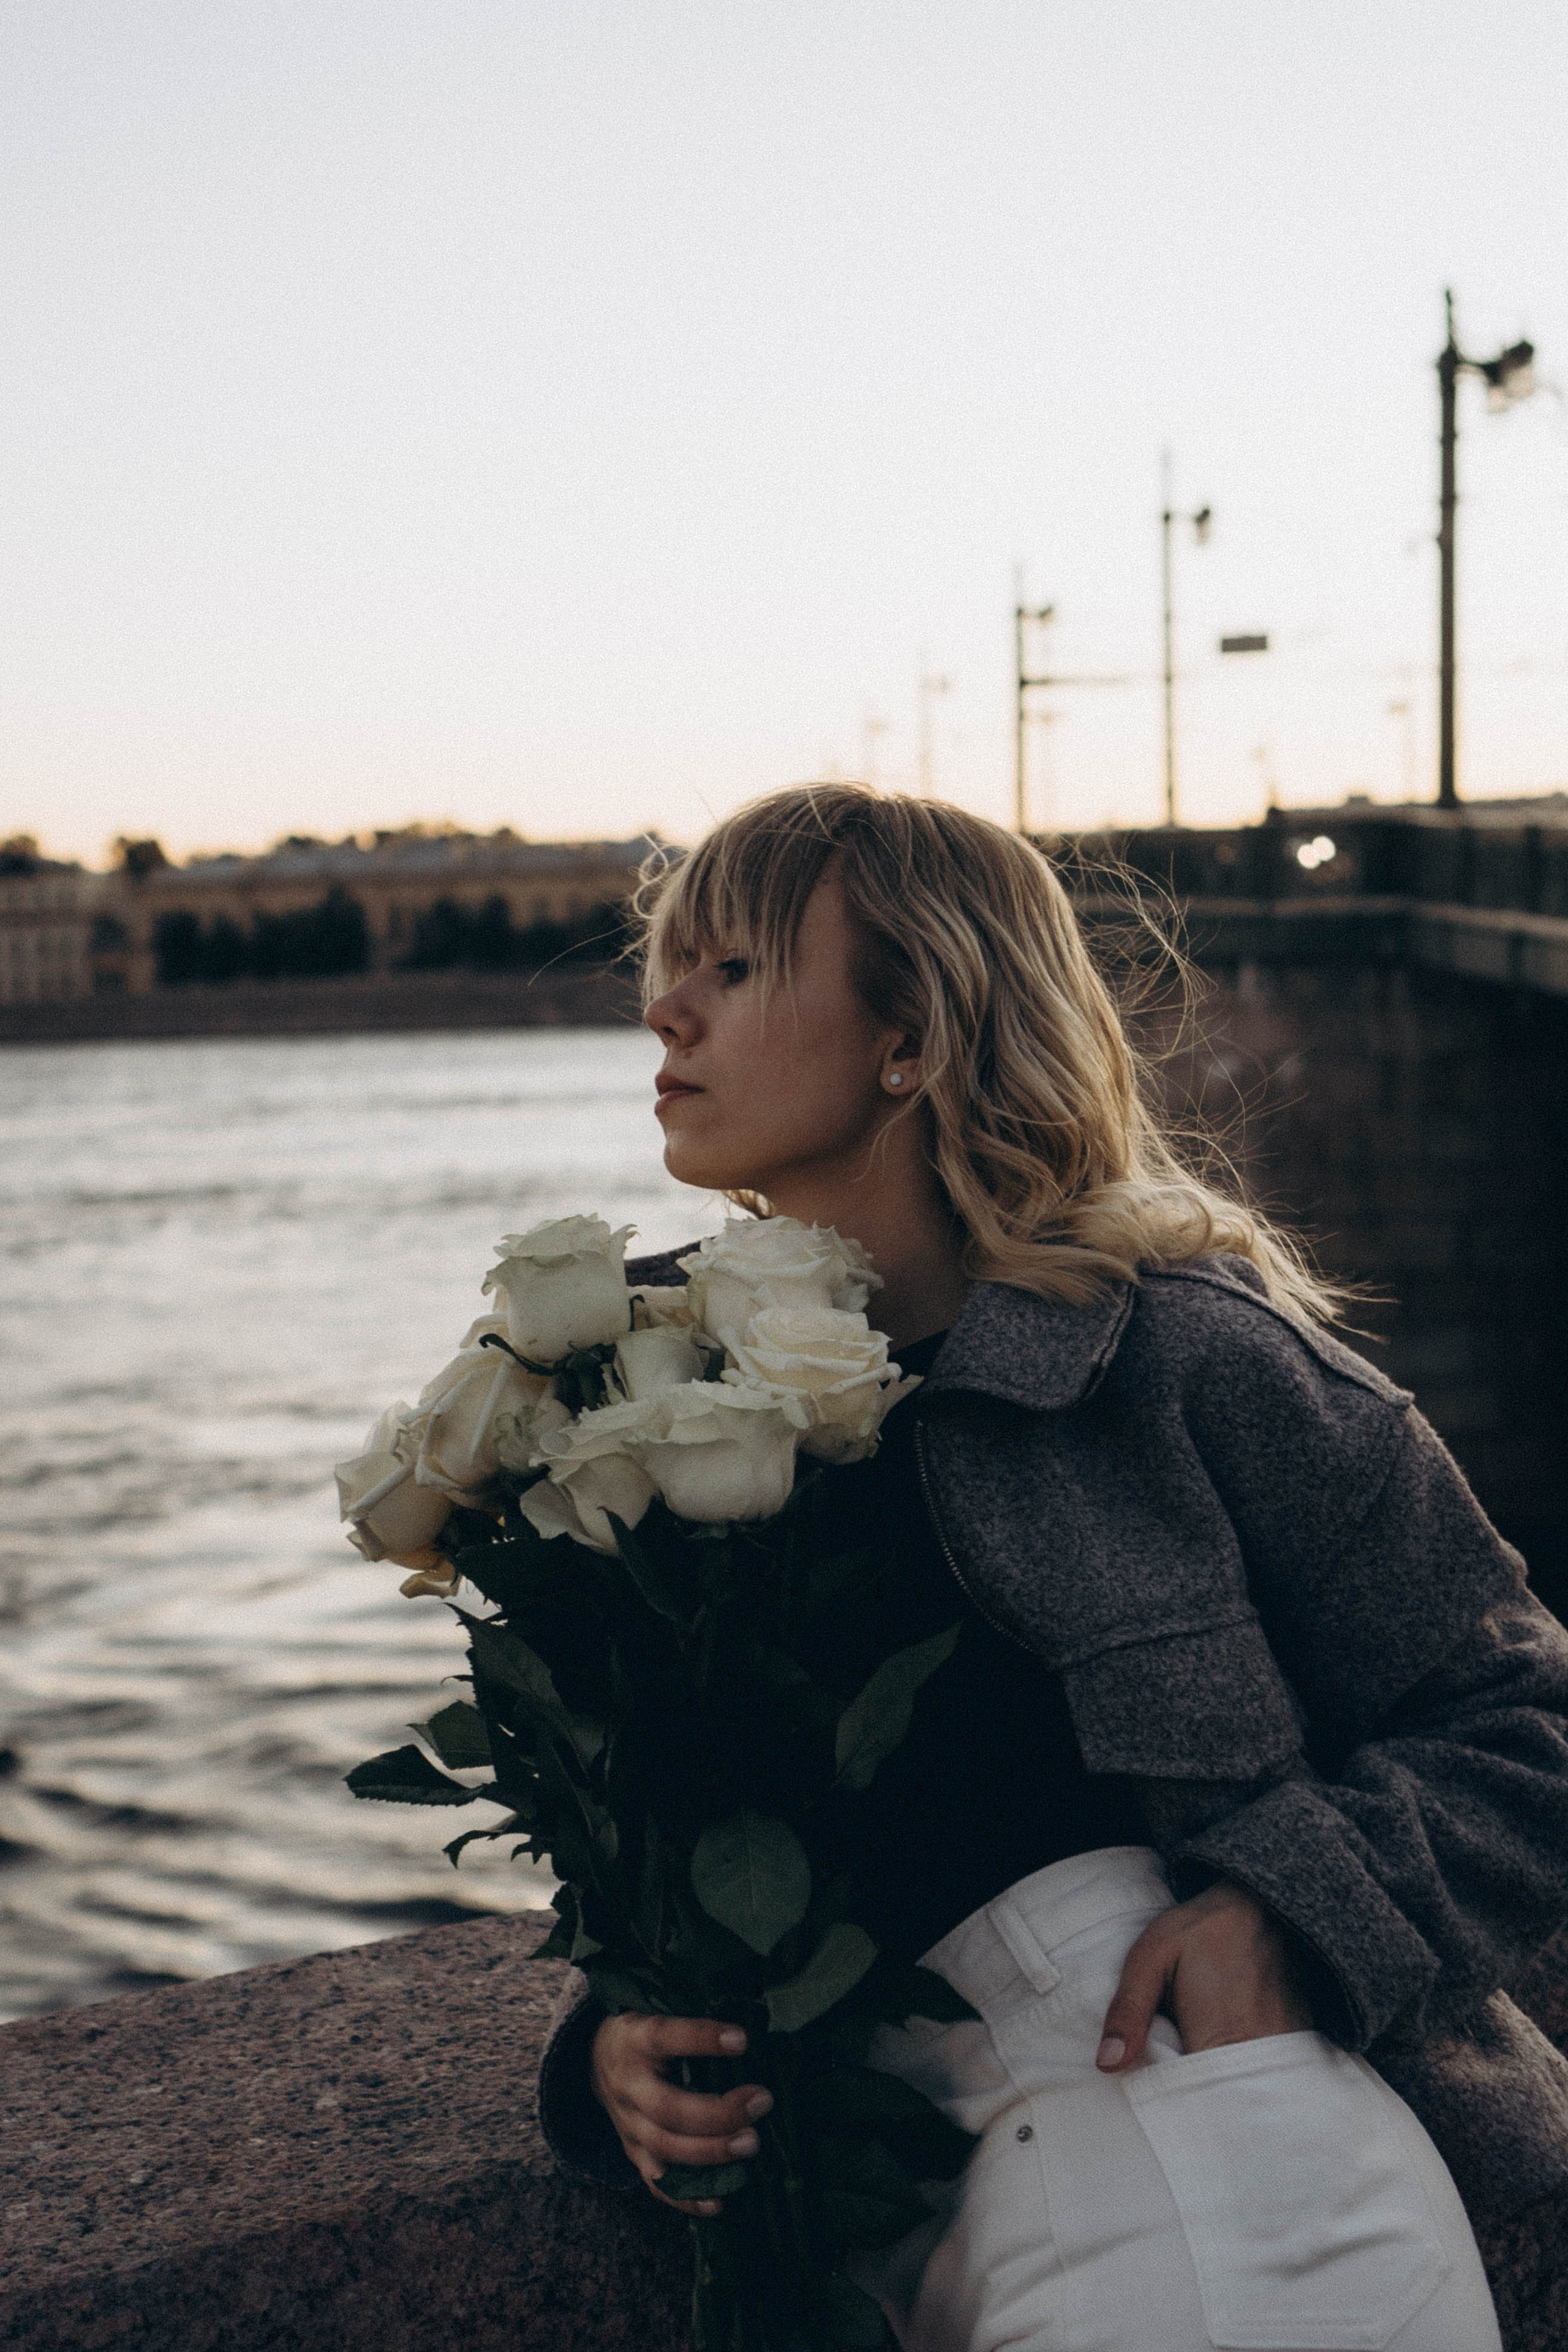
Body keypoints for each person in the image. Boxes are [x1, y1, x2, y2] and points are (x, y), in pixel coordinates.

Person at [537, 782, 1568, 2351]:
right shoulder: (644, 1401)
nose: (664, 1010)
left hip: (1233, 2187)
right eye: (672, 969)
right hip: (878, 2230)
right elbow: (668, 1845)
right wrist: (612, 2045)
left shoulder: (1182, 1361)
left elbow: (1525, 1722)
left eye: (736, 970)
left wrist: (1289, 1907)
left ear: (912, 1036)